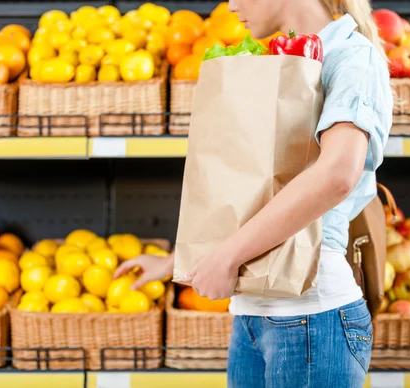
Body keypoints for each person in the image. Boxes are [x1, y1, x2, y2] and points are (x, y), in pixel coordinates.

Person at [114, 0, 393, 386]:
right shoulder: (278, 62)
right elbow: (259, 190)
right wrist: (181, 260)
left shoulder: (351, 57)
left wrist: (228, 257)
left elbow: (337, 175)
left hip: (312, 317)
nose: (231, 4)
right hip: (254, 314)